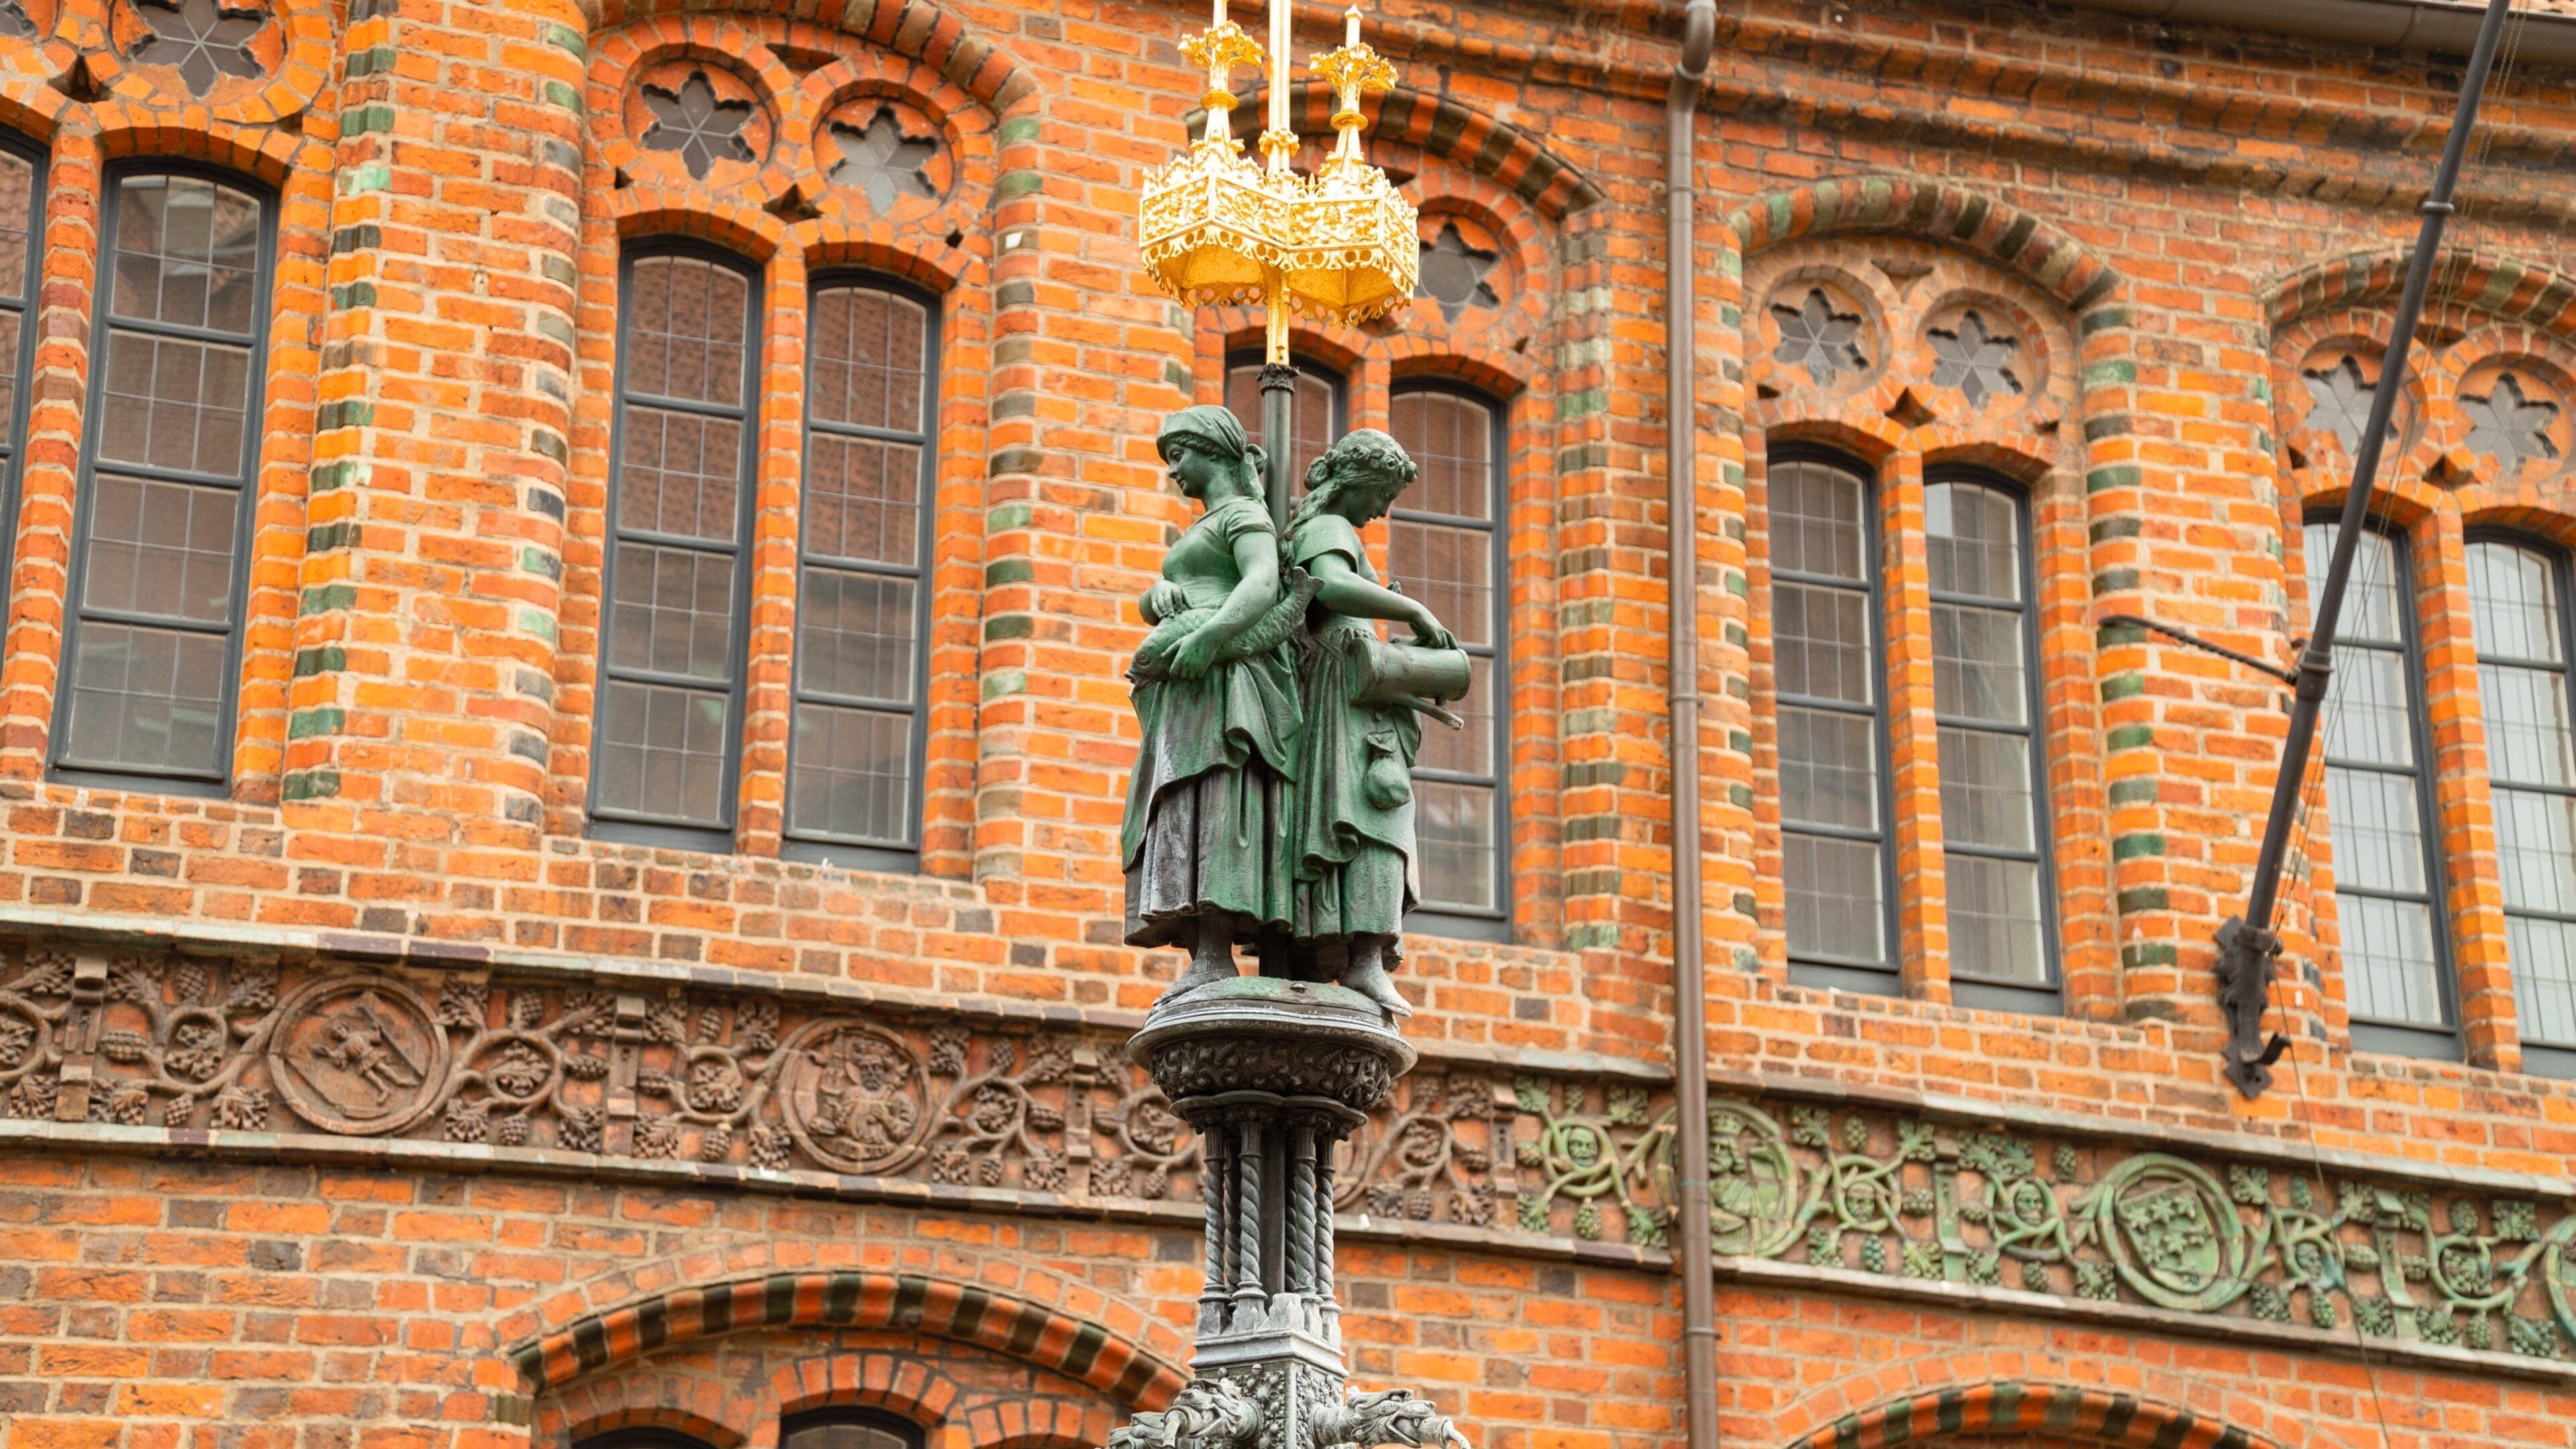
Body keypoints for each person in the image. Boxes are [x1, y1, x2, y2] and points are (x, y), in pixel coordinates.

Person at [1121, 405, 1301, 1002]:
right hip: (1188, 685)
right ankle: (1204, 947)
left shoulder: (1246, 514)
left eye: (1179, 454)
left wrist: (1209, 637)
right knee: (1185, 800)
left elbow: (1260, 584)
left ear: (1213, 451)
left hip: (1225, 676)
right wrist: (1160, 596)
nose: (1173, 470)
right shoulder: (1200, 528)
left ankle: (1217, 946)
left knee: (1220, 796)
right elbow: (1183, 590)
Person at [1283, 429, 1456, 1018]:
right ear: (1354, 482)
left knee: (1370, 818)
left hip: (1354, 684)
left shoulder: (1327, 529)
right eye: (1380, 495)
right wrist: (1410, 606)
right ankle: (1363, 962)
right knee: (1376, 817)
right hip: (1344, 693)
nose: (1381, 512)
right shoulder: (1329, 528)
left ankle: (1358, 955)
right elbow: (1329, 585)